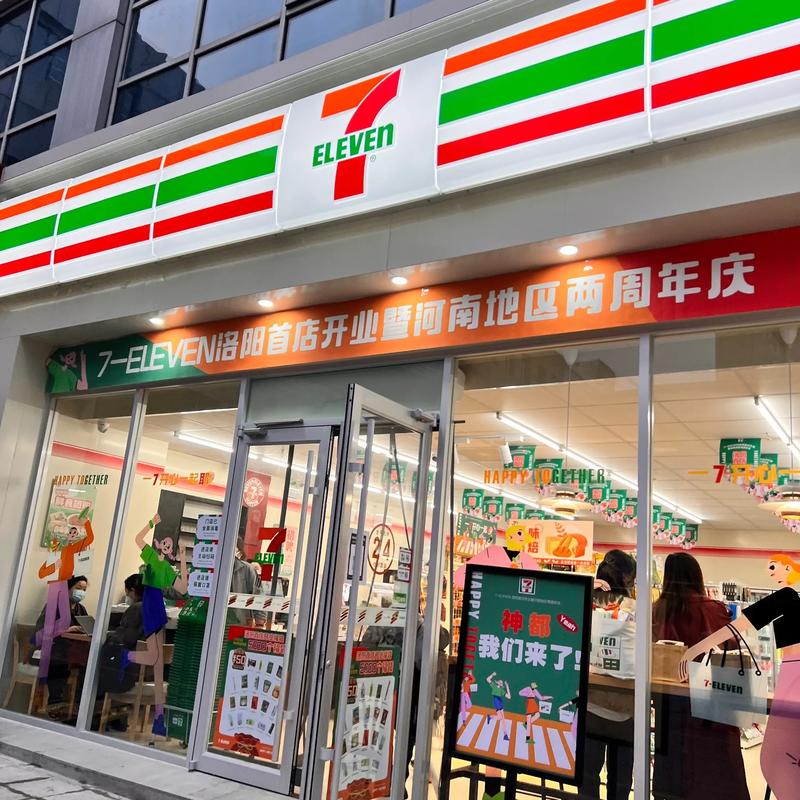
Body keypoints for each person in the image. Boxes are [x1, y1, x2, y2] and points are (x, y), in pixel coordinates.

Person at [680, 553, 800, 800]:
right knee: (784, 767)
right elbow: (739, 625)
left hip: (790, 703)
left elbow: (738, 626)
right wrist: (696, 649)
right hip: (790, 706)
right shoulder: (788, 598)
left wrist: (696, 649)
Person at [653, 552, 749, 800]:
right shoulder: (713, 610)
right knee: (715, 771)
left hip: (669, 704)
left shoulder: (657, 611)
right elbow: (731, 652)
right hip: (711, 705)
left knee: (672, 774)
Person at [121, 514, 188, 737]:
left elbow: (183, 589)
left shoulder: (168, 569)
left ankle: (159, 718)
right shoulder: (149, 556)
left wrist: (183, 558)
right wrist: (152, 522)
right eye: (165, 544)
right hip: (150, 605)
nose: (167, 548)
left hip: (158, 606)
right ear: (159, 545)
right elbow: (138, 539)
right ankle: (127, 657)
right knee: (154, 658)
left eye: (170, 547)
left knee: (158, 666)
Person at [581, 549, 637, 800]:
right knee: (620, 781)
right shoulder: (635, 609)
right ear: (626, 579)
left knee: (587, 776)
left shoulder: (585, 602)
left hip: (589, 703)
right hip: (624, 707)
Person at [231, 537, 267, 627]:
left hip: (238, 623)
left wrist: (259, 624)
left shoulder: (247, 570)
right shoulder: (211, 568)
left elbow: (258, 596)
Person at [486, 672, 511, 741]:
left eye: (502, 682)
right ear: (497, 683)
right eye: (500, 682)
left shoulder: (502, 690)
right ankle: (490, 717)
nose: (501, 682)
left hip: (500, 701)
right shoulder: (493, 686)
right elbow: (487, 679)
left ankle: (505, 735)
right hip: (496, 701)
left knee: (503, 719)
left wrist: (507, 686)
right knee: (500, 717)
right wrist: (492, 675)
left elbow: (509, 697)